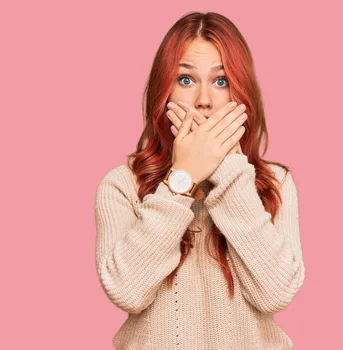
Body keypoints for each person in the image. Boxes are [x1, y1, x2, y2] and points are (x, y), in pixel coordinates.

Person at [94, 11, 306, 350]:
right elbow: (127, 291)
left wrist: (230, 172)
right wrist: (184, 177)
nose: (204, 100)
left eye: (221, 81)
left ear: (241, 93)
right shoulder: (121, 186)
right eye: (186, 80)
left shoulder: (274, 182)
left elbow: (276, 294)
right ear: (164, 91)